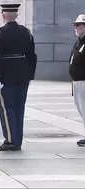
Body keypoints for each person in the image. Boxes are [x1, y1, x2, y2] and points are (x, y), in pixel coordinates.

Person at [0, 4, 37, 151]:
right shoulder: (26, 32)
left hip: (7, 75)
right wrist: (31, 75)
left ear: (3, 16)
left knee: (7, 108)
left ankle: (10, 140)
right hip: (23, 74)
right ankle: (17, 140)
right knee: (19, 108)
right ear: (16, 15)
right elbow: (32, 55)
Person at [69, 14, 85, 146]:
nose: (76, 27)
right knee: (81, 108)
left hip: (83, 80)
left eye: (79, 25)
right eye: (75, 25)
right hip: (77, 81)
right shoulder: (79, 40)